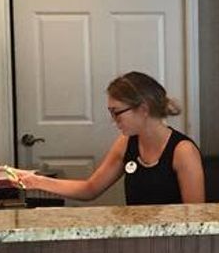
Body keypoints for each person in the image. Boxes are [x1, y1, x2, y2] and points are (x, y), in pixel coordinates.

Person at [12, 71, 205, 205]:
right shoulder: (126, 143)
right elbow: (90, 189)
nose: (113, 120)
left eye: (117, 112)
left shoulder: (183, 151)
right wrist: (35, 181)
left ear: (143, 109)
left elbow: (195, 219)